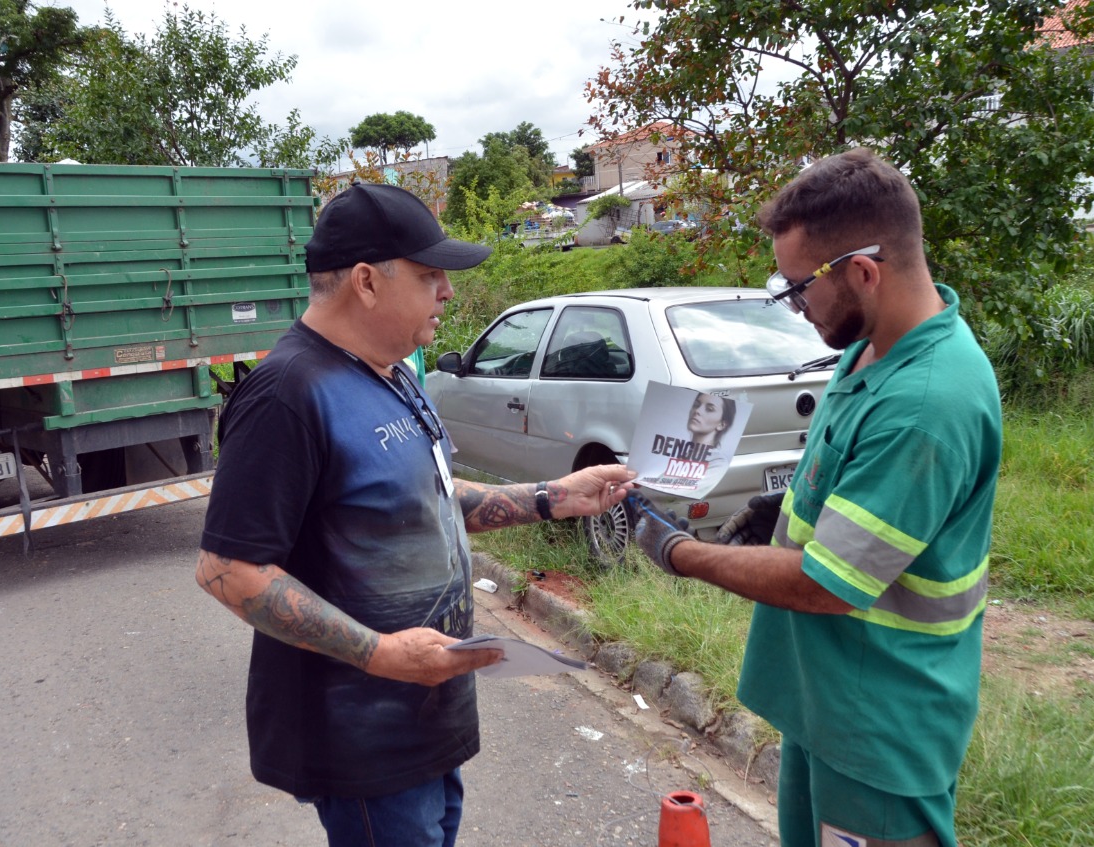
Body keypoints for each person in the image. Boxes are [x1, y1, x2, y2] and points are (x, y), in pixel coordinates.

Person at [195, 182, 636, 847]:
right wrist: (379, 654)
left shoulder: (392, 372)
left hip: (429, 717)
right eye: (431, 275)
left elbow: (427, 495)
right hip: (363, 743)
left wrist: (554, 497)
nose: (448, 292)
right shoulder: (287, 395)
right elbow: (227, 569)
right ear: (367, 282)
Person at [628, 148, 1002, 847]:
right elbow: (845, 481)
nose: (796, 307)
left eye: (799, 288)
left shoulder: (928, 401)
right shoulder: (869, 351)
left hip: (880, 725)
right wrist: (788, 509)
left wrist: (682, 553)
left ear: (863, 270)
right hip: (825, 701)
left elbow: (828, 583)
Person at [686, 392, 735, 472]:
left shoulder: (717, 462)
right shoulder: (684, 456)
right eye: (696, 405)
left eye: (709, 409)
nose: (697, 410)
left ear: (721, 425)